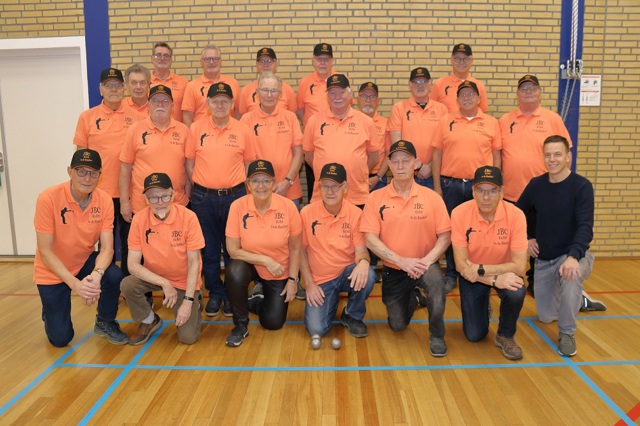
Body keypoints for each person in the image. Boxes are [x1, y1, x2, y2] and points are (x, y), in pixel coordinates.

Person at [498, 75, 603, 312]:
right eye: (523, 88)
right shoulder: (505, 121)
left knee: (540, 251)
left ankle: (567, 290)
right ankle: (509, 288)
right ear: (518, 93)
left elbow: (566, 154)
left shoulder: (552, 119)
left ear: (539, 92)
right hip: (513, 197)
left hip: (542, 197)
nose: (528, 91)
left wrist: (566, 187)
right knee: (516, 245)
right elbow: (497, 155)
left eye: (532, 88)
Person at [361, 141, 451, 357]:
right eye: (396, 161)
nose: (401, 166)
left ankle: (437, 334)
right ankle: (416, 298)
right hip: (395, 268)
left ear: (416, 164)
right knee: (397, 324)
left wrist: (427, 261)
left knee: (438, 285)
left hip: (424, 263)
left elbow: (446, 236)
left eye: (406, 161)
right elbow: (370, 238)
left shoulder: (432, 198)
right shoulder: (375, 198)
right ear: (389, 165)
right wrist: (401, 261)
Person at [34, 149, 126, 347]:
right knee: (61, 339)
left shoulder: (104, 200)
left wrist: (96, 276)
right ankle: (50, 310)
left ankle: (105, 321)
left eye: (93, 173)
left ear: (100, 175)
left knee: (113, 275)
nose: (87, 178)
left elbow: (107, 249)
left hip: (83, 261)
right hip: (52, 270)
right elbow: (45, 252)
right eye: (81, 171)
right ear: (70, 172)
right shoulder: (48, 198)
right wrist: (76, 285)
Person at [516, 135, 597, 357]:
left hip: (571, 255)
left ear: (568, 157)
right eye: (548, 155)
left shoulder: (581, 186)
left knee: (571, 275)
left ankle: (567, 333)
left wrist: (573, 256)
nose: (552, 159)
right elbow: (517, 213)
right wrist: (528, 237)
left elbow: (585, 227)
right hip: (544, 258)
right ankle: (578, 299)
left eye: (558, 154)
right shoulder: (536, 185)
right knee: (545, 315)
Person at [186, 82, 255, 317]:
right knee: (209, 250)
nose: (220, 105)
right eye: (215, 101)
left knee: (233, 249)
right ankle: (215, 293)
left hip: (235, 197)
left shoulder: (242, 129)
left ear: (233, 104)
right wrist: (201, 185)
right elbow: (189, 164)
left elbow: (249, 165)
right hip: (203, 197)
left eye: (225, 101)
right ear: (207, 104)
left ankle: (232, 294)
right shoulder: (195, 129)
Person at [451, 166, 528, 360]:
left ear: (502, 192)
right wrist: (493, 281)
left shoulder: (516, 215)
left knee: (516, 290)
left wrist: (485, 270)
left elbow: (520, 266)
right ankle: (484, 306)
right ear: (473, 191)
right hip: (474, 277)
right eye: (481, 190)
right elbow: (461, 265)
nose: (486, 197)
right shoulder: (459, 213)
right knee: (474, 335)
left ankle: (505, 334)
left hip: (496, 271)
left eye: (493, 190)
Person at [432, 80, 501, 292]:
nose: (467, 97)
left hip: (480, 188)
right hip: (450, 184)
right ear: (457, 99)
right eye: (463, 94)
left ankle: (477, 271)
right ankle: (453, 273)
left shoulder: (491, 122)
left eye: (472, 94)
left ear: (480, 99)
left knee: (478, 232)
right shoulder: (446, 121)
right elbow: (437, 154)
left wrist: (495, 185)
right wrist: (437, 186)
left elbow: (497, 156)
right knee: (453, 232)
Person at [73, 68, 144, 274]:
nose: (114, 89)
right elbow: (81, 160)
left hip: (130, 194)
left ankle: (131, 287)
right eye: (108, 85)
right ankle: (107, 286)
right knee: (105, 245)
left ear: (124, 89)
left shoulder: (138, 118)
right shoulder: (87, 117)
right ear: (100, 89)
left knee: (132, 243)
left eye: (118, 85)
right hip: (99, 194)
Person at [121, 173, 205, 345]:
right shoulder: (139, 220)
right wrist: (165, 283)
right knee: (127, 285)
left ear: (173, 195)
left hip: (183, 280)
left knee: (187, 338)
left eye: (164, 196)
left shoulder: (189, 217)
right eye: (153, 198)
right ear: (145, 199)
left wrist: (188, 302)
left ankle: (195, 300)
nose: (159, 203)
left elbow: (194, 263)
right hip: (155, 277)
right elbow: (132, 265)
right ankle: (149, 320)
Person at [225, 160, 302, 347]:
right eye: (255, 181)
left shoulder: (288, 207)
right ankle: (240, 326)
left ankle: (255, 301)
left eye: (266, 181)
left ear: (274, 183)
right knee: (234, 271)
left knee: (273, 323)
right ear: (248, 185)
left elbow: (295, 248)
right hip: (250, 263)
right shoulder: (237, 206)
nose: (261, 186)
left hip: (278, 269)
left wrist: (293, 280)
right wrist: (266, 260)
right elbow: (233, 250)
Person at [119, 84, 192, 279]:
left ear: (172, 105)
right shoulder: (135, 130)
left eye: (165, 101)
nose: (160, 104)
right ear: (148, 105)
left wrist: (189, 197)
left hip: (176, 203)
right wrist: (124, 202)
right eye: (155, 101)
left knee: (179, 251)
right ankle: (141, 298)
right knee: (138, 251)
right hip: (141, 205)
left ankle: (184, 289)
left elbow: (188, 167)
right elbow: (125, 167)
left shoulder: (184, 131)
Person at [301, 163, 376, 341]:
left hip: (346, 275)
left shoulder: (356, 214)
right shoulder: (306, 213)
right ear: (319, 187)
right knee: (316, 330)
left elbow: (361, 250)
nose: (330, 191)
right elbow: (300, 252)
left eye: (335, 186)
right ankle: (330, 301)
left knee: (369, 275)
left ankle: (352, 314)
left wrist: (364, 262)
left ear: (345, 188)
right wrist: (309, 284)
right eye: (325, 186)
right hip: (320, 281)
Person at [303, 73, 378, 208]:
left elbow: (373, 156)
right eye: (332, 93)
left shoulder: (366, 122)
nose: (337, 97)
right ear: (326, 96)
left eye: (342, 92)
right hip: (324, 196)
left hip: (357, 196)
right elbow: (309, 156)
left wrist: (357, 170)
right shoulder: (314, 121)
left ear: (350, 94)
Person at [240, 72, 304, 207]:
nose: (269, 95)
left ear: (280, 94)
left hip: (288, 190)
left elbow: (299, 153)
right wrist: (256, 186)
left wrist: (287, 182)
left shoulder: (290, 117)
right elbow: (242, 158)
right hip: (257, 191)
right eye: (265, 90)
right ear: (257, 93)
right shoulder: (246, 120)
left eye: (274, 91)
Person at [388, 67, 448, 189]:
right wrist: (419, 166)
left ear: (430, 84)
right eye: (416, 82)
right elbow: (397, 144)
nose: (420, 86)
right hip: (408, 174)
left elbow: (446, 143)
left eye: (424, 82)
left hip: (435, 174)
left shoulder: (442, 109)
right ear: (410, 85)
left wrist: (431, 167)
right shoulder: (399, 108)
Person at [297, 43, 338, 202]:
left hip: (338, 143)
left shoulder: (341, 80)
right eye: (319, 59)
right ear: (313, 61)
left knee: (336, 184)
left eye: (326, 59)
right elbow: (300, 111)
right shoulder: (305, 83)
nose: (322, 63)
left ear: (332, 61)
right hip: (314, 146)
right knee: (315, 185)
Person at [182, 45, 241, 127]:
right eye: (207, 59)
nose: (211, 62)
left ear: (220, 61)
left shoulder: (233, 83)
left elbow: (238, 112)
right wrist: (193, 135)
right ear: (201, 62)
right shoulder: (191, 86)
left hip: (227, 134)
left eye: (215, 59)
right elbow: (187, 116)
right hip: (202, 135)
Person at [430, 43, 489, 113]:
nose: (461, 62)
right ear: (451, 60)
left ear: (471, 61)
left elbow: (483, 112)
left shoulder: (479, 86)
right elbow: (432, 109)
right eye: (457, 59)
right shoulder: (439, 84)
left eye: (465, 59)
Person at [238, 47, 297, 116]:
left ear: (276, 64)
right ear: (257, 64)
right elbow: (242, 118)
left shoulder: (287, 89)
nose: (266, 64)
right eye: (262, 61)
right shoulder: (246, 90)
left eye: (269, 61)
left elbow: (292, 116)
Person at [357, 81, 390, 192]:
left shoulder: (386, 123)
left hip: (378, 180)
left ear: (378, 101)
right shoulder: (349, 121)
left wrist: (378, 177)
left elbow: (389, 154)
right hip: (354, 178)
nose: (368, 100)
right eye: (364, 96)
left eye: (372, 96)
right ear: (358, 99)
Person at [150, 42, 189, 122]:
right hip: (150, 131)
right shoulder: (144, 82)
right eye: (158, 55)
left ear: (171, 60)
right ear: (152, 59)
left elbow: (187, 112)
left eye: (166, 56)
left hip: (176, 131)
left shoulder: (183, 82)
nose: (162, 58)